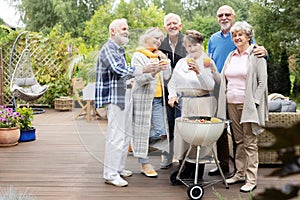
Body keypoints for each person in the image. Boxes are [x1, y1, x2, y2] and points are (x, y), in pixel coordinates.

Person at [207, 5, 268, 176]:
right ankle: (234, 171)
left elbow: (262, 78)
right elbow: (215, 67)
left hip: (247, 100)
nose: (237, 37)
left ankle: (250, 177)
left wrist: (255, 101)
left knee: (248, 141)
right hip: (226, 96)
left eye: (240, 35)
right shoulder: (218, 43)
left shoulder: (254, 52)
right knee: (234, 138)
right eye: (220, 15)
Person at [94, 18, 156, 187]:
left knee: (125, 134)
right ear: (112, 31)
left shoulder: (119, 49)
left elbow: (125, 75)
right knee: (116, 136)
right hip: (115, 98)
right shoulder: (108, 48)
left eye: (127, 28)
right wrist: (144, 69)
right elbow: (119, 70)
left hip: (124, 95)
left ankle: (119, 168)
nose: (127, 31)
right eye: (123, 28)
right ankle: (110, 174)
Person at [168, 30, 218, 179]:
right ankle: (185, 170)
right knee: (185, 136)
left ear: (201, 44)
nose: (191, 49)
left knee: (199, 137)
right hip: (186, 103)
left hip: (202, 102)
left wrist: (198, 71)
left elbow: (210, 85)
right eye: (188, 46)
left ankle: (198, 173)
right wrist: (172, 96)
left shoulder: (207, 61)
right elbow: (172, 82)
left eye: (194, 45)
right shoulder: (182, 62)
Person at [130, 27, 171, 178]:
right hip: (143, 98)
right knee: (142, 130)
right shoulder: (138, 55)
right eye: (156, 38)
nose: (158, 42)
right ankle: (144, 163)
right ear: (146, 38)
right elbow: (140, 78)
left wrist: (165, 62)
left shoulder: (157, 55)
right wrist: (154, 70)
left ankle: (135, 141)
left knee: (161, 132)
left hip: (159, 99)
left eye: (160, 39)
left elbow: (167, 76)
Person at [158, 13, 187, 169]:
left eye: (175, 23)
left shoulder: (188, 42)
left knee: (183, 124)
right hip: (166, 91)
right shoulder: (160, 44)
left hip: (185, 91)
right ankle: (168, 156)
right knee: (168, 125)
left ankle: (183, 158)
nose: (172, 26)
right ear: (165, 28)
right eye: (169, 24)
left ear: (180, 26)